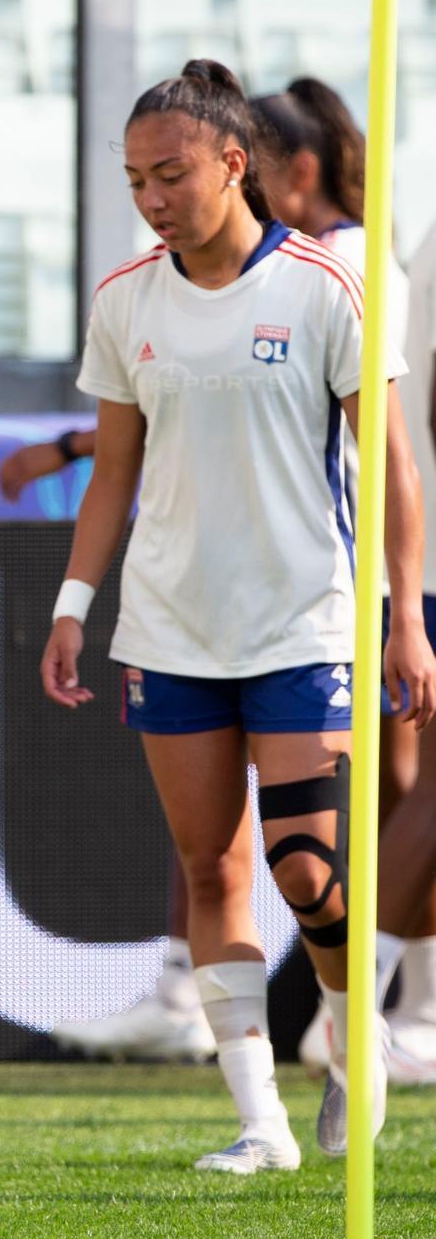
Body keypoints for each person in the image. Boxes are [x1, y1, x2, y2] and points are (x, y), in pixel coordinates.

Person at [41, 59, 435, 1175]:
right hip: (169, 629)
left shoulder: (325, 285)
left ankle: (352, 1052)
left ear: (234, 163)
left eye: (170, 174)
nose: (154, 199)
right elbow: (114, 472)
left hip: (304, 621)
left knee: (307, 866)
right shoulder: (125, 301)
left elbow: (393, 468)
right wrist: (75, 604)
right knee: (209, 869)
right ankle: (260, 1118)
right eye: (135, 181)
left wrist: (405, 616)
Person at [251, 78, 436, 1085]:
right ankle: (356, 1010)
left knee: (403, 785)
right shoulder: (353, 259)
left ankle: (377, 1009)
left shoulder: (349, 263)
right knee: (401, 787)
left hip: (374, 561)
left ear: (300, 170)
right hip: (364, 566)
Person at [0, 430, 217, 1065]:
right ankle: (186, 996)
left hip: (321, 583)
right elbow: (185, 395)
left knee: (344, 812)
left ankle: (388, 1007)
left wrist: (70, 447)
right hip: (222, 578)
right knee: (209, 814)